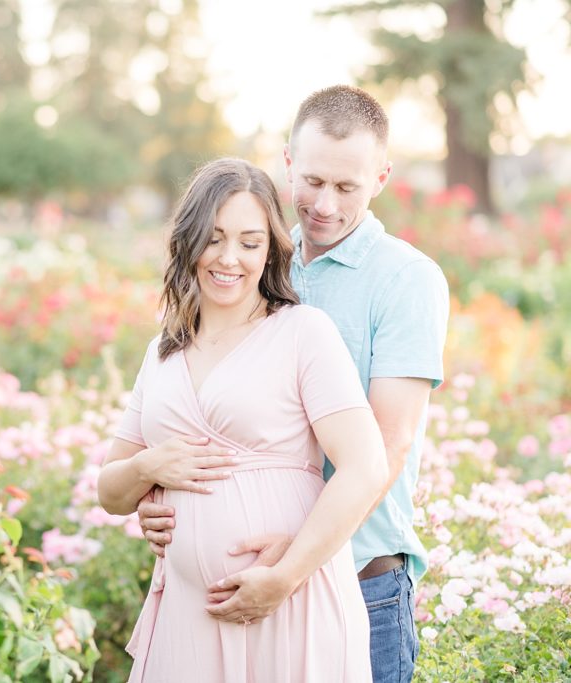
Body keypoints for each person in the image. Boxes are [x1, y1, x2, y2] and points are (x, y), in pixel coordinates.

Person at [137, 85, 450, 683]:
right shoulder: (256, 260)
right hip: (238, 590)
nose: (324, 204)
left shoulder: (406, 279)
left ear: (381, 177)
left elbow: (388, 445)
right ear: (287, 161)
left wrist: (298, 561)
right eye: (312, 181)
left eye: (346, 187)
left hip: (360, 581)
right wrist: (157, 492)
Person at [97, 157, 389, 682]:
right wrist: (150, 466)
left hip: (291, 603)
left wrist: (285, 576)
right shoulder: (162, 353)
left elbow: (365, 467)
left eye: (250, 243)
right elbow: (111, 491)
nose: (229, 258)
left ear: (270, 249)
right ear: (188, 241)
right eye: (213, 238)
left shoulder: (304, 333)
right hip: (188, 613)